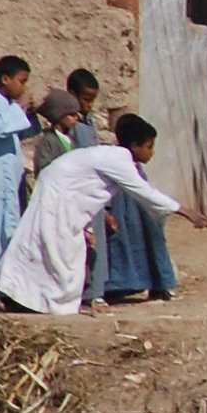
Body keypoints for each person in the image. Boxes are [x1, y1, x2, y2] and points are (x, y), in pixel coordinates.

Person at [0, 114, 207, 315]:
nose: (152, 152)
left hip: (64, 195)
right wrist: (185, 211)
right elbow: (144, 193)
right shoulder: (120, 160)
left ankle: (28, 298)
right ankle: (27, 298)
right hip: (58, 195)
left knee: (55, 248)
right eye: (149, 146)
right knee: (56, 248)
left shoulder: (114, 157)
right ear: (135, 146)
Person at [62, 69, 121, 307]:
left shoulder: (88, 124)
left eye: (92, 100)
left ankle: (96, 291)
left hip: (94, 195)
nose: (89, 105)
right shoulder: (70, 125)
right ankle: (82, 292)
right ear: (72, 94)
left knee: (97, 245)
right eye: (85, 99)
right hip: (78, 195)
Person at [0, 55, 38, 268]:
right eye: (21, 81)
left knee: (8, 233)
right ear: (5, 79)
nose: (24, 87)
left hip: (8, 186)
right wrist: (18, 108)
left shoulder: (6, 105)